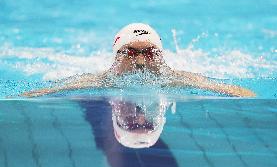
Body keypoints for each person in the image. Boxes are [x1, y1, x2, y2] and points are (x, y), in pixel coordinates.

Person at [22, 23, 256, 97]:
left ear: (162, 56)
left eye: (151, 53)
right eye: (131, 53)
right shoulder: (97, 81)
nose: (141, 62)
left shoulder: (179, 79)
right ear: (115, 58)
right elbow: (38, 94)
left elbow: (243, 94)